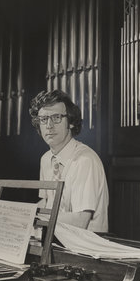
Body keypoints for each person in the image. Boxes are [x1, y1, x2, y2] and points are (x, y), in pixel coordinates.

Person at [29, 90, 108, 232]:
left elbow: (80, 221)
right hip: (55, 239)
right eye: (43, 119)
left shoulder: (85, 160)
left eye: (56, 117)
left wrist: (34, 218)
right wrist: (19, 214)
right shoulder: (46, 159)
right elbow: (47, 203)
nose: (49, 125)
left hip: (86, 246)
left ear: (70, 122)